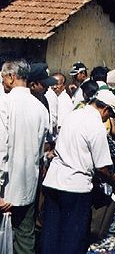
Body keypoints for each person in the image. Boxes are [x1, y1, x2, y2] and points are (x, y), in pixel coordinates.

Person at [41, 87, 115, 254]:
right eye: (109, 115)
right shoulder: (96, 126)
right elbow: (102, 167)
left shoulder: (73, 115)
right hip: (75, 187)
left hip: (54, 181)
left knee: (51, 234)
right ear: (105, 109)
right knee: (72, 238)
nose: (107, 118)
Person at [0, 59, 49, 254]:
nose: (2, 82)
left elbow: (1, 150)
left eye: (3, 77)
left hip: (6, 188)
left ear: (11, 77)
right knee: (25, 237)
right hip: (28, 186)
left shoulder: (5, 104)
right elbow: (40, 151)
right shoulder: (40, 108)